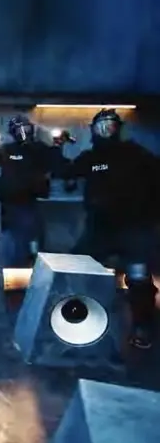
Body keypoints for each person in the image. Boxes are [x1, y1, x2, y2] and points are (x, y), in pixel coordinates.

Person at [54, 108, 160, 349]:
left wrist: (152, 217)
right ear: (94, 130)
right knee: (74, 268)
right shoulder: (92, 157)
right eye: (101, 126)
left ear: (118, 129)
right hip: (100, 228)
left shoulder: (135, 153)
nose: (106, 130)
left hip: (134, 228)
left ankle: (142, 326)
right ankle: (75, 318)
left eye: (110, 126)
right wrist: (57, 147)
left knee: (139, 277)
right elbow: (64, 171)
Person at [0, 115, 63, 267]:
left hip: (28, 203)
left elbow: (56, 165)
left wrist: (57, 145)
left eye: (26, 128)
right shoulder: (7, 149)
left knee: (27, 238)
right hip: (7, 204)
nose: (24, 132)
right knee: (8, 239)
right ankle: (9, 267)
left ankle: (26, 266)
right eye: (20, 129)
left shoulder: (39, 149)